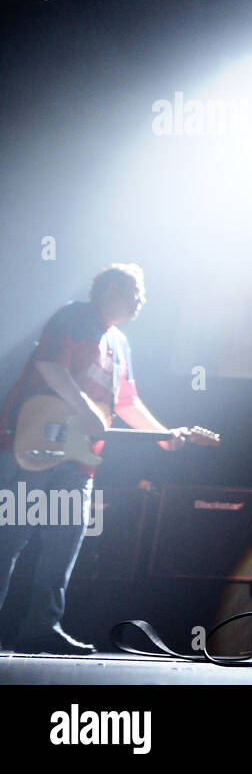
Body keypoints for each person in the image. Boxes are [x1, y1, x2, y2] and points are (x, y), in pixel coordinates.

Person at [0, 264, 188, 654]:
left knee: (63, 544)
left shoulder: (121, 343)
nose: (143, 300)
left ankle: (41, 626)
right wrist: (86, 410)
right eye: (136, 291)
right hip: (32, 446)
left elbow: (126, 400)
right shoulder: (73, 316)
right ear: (109, 289)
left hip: (79, 459)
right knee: (10, 538)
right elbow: (50, 365)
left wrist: (163, 436)